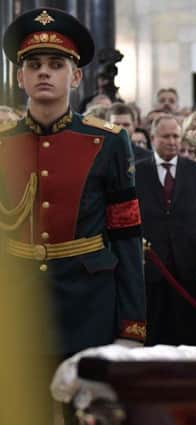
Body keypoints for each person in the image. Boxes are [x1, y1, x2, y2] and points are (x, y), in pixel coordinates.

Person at [0, 7, 146, 357]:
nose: (44, 73)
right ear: (21, 78)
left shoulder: (109, 141)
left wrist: (132, 325)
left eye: (56, 64)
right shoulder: (4, 143)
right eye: (34, 66)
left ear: (76, 76)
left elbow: (126, 235)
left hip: (88, 304)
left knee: (82, 411)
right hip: (17, 304)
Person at [136, 114, 196, 346]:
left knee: (186, 326)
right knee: (154, 324)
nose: (172, 141)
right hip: (150, 262)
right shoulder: (137, 172)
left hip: (189, 262)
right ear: (153, 138)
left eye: (176, 136)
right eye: (166, 136)